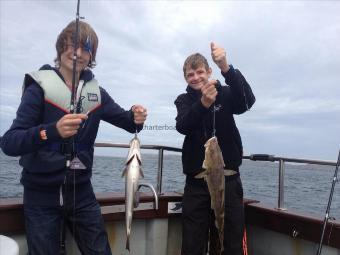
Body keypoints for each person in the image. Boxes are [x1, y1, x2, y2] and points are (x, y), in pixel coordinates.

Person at [0, 20, 147, 255]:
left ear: (91, 56)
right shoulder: (38, 88)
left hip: (82, 192)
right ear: (61, 48)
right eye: (71, 45)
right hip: (40, 195)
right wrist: (51, 131)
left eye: (85, 49)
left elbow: (129, 123)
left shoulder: (96, 94)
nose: (77, 53)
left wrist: (137, 115)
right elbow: (9, 142)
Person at [175, 42, 255, 255]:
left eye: (200, 72)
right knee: (192, 244)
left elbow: (248, 102)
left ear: (209, 72)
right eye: (190, 74)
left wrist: (226, 68)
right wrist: (203, 104)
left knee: (231, 242)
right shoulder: (183, 100)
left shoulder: (227, 94)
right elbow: (182, 126)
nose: (196, 77)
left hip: (228, 181)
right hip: (196, 184)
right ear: (186, 78)